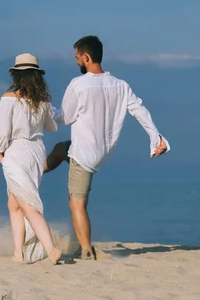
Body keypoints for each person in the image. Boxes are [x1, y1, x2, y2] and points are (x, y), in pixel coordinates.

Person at [44, 35, 170, 260]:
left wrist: (44, 109)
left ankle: (86, 250)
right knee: (61, 149)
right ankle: (36, 171)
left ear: (86, 57)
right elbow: (140, 111)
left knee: (77, 204)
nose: (76, 63)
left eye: (77, 58)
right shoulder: (120, 86)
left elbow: (64, 117)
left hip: (85, 155)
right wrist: (156, 138)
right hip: (101, 150)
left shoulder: (79, 85)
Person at [0, 53, 63, 265]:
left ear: (16, 75)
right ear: (36, 76)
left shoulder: (8, 98)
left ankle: (51, 249)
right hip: (36, 153)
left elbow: (2, 133)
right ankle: (18, 254)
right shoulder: (42, 100)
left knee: (28, 205)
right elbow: (51, 127)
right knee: (14, 204)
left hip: (17, 152)